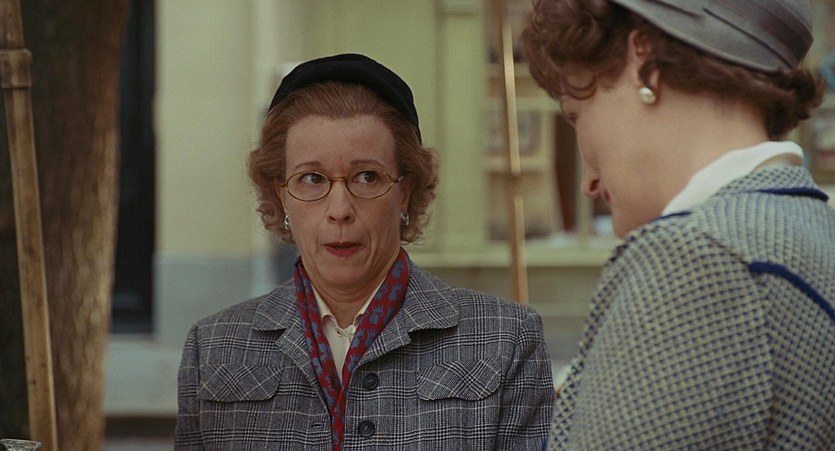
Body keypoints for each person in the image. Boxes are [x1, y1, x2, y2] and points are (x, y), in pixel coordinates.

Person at [174, 53, 555, 450]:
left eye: (367, 177)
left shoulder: (505, 339)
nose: (340, 210)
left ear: (405, 192)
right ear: (281, 195)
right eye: (311, 179)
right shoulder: (213, 348)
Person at [522, 0, 835, 449]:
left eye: (577, 113)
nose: (588, 181)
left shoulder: (697, 258)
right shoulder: (809, 228)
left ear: (643, 58)